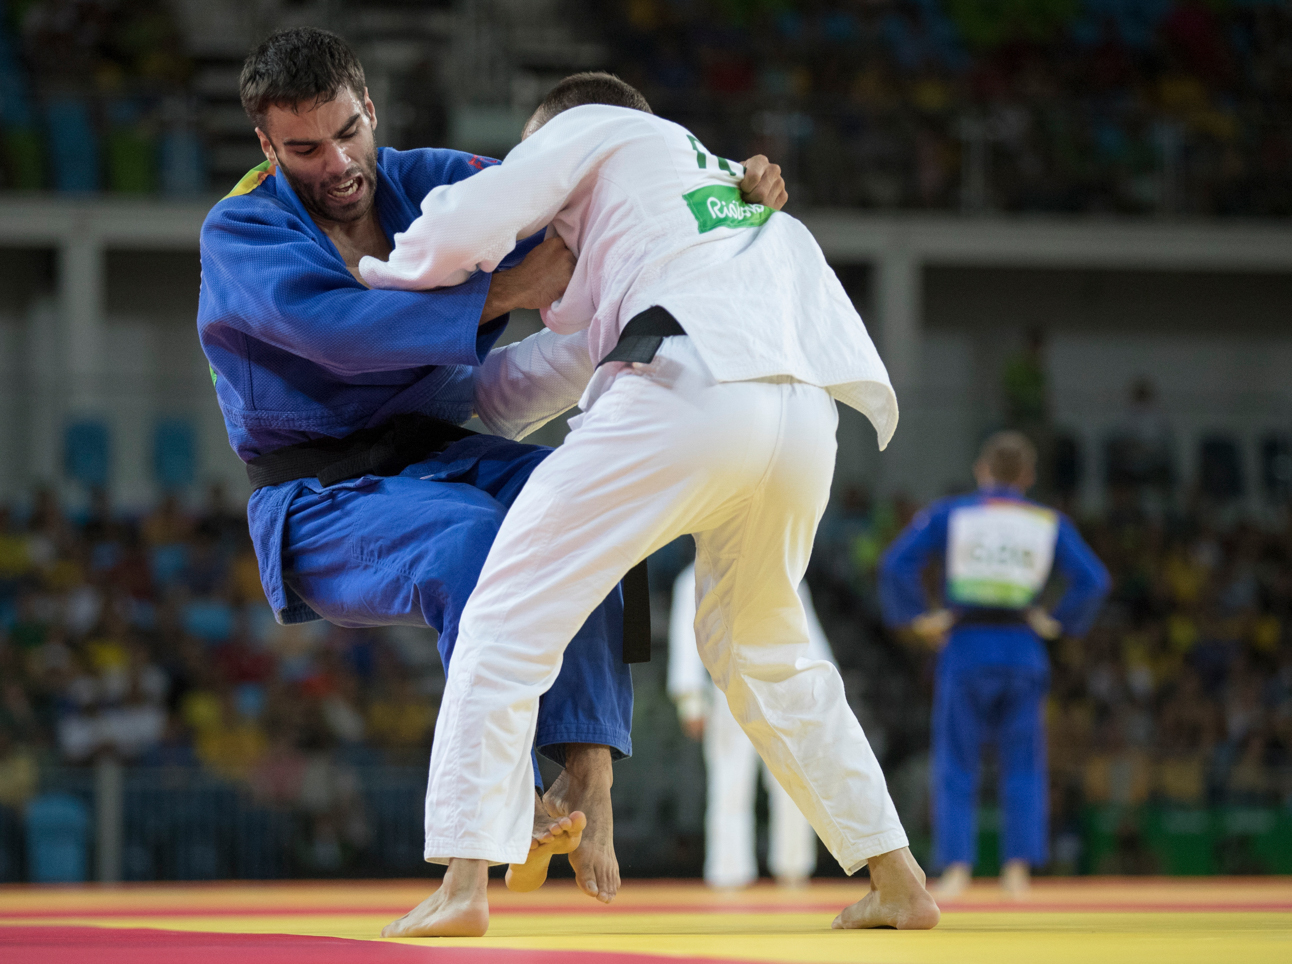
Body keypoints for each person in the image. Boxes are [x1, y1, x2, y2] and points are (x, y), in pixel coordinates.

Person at [196, 29, 790, 903]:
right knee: (476, 543)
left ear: (373, 107)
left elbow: (585, 184)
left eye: (349, 130)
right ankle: (492, 810)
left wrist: (720, 188)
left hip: (440, 454)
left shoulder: (429, 179)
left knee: (590, 506)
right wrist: (512, 287)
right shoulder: (243, 228)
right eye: (305, 148)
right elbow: (337, 329)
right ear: (266, 147)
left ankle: (589, 779)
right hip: (319, 497)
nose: (338, 161)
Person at [362, 72, 938, 937]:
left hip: (688, 383)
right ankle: (898, 876)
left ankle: (463, 880)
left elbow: (467, 218)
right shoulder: (700, 201)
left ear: (567, 132)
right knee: (764, 647)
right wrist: (419, 395)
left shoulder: (601, 128)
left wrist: (381, 277)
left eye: (540, 152)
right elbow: (526, 386)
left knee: (509, 609)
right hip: (800, 412)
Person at [878, 431, 1111, 899]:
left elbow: (894, 564)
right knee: (1024, 764)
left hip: (965, 648)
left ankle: (957, 871)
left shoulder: (953, 513)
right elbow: (1094, 580)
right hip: (1024, 649)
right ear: (1028, 477)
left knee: (956, 763)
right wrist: (1057, 621)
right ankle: (1017, 872)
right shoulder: (1047, 521)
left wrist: (917, 619)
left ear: (981, 471)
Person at [668, 563, 831, 889]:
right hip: (729, 688)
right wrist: (691, 698)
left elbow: (806, 632)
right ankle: (728, 870)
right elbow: (687, 641)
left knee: (792, 782)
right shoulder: (695, 577)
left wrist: (821, 689)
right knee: (729, 781)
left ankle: (794, 867)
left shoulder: (785, 567)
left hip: (785, 689)